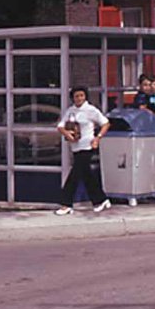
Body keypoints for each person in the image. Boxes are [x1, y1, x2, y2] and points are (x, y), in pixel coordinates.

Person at [55, 86, 111, 215]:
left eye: (81, 95)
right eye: (76, 96)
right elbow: (60, 126)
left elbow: (105, 123)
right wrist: (67, 133)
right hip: (75, 146)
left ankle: (66, 203)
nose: (79, 98)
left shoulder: (91, 110)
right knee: (87, 175)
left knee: (74, 175)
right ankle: (101, 199)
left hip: (88, 145)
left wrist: (98, 138)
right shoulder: (70, 111)